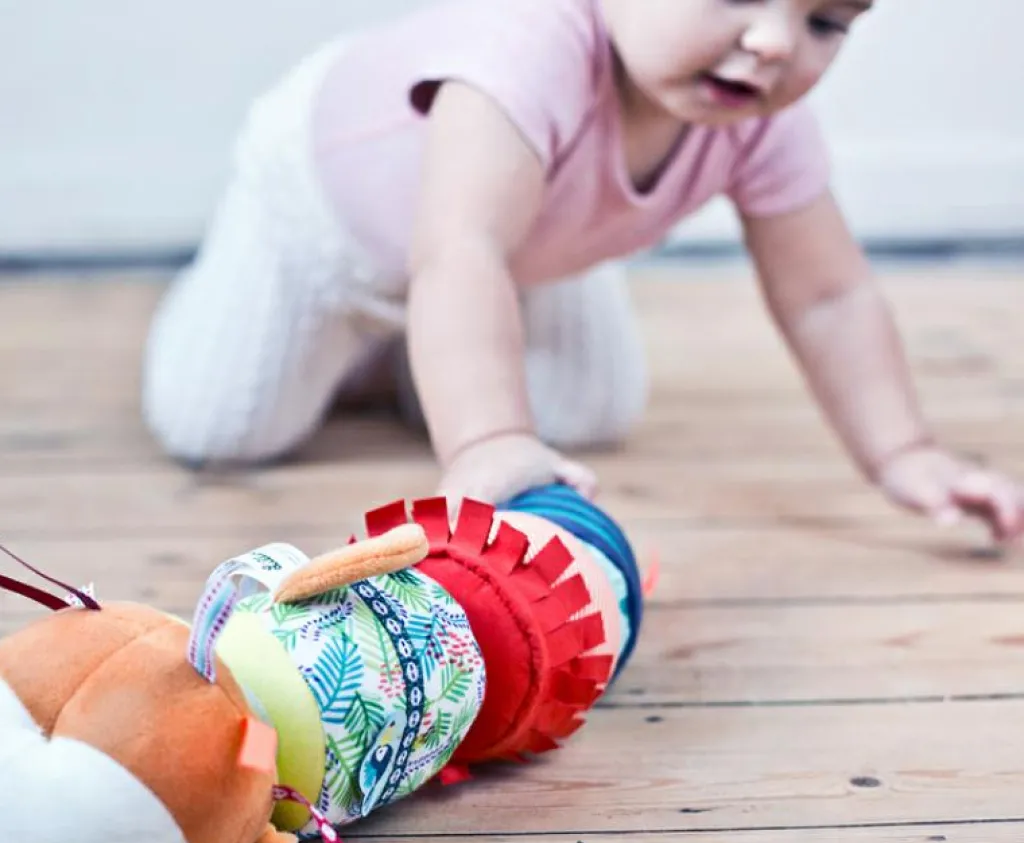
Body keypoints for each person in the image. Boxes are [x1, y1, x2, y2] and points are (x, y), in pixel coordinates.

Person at [142, 0, 1024, 543]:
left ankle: (422, 360)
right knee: (221, 428)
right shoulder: (524, 48)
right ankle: (281, 300)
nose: (771, 42)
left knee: (584, 417)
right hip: (332, 227)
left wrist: (906, 453)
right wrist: (484, 443)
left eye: (826, 20)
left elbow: (830, 296)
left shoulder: (758, 111)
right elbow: (458, 245)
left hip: (528, 248)